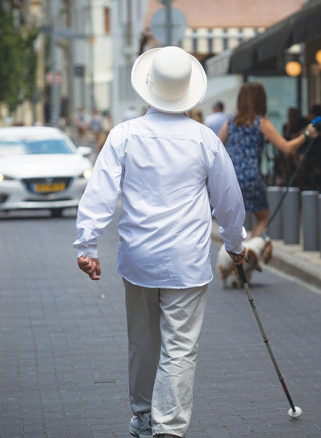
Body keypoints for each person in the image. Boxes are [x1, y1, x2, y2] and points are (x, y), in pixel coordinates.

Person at [74, 46, 247, 438]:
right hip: (187, 261)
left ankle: (142, 418)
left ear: (148, 88)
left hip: (138, 259)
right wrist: (235, 246)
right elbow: (229, 202)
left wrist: (87, 245)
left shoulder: (125, 135)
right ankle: (168, 428)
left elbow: (100, 191)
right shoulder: (205, 140)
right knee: (180, 347)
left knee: (143, 341)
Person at [219, 82, 317, 238]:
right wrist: (306, 134)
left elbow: (216, 149)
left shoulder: (229, 123)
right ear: (261, 100)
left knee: (233, 223)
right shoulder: (261, 123)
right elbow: (286, 148)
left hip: (229, 178)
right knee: (262, 217)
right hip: (250, 177)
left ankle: (233, 258)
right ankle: (250, 254)